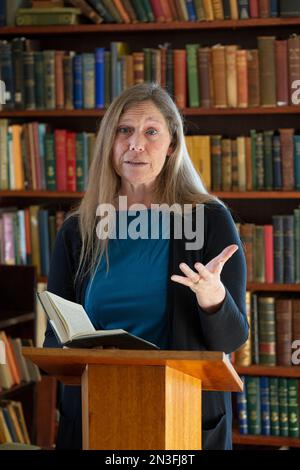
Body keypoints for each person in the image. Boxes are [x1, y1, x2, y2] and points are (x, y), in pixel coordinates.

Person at [44, 82, 248, 450]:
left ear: (171, 146)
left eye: (151, 131)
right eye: (124, 130)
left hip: (182, 420)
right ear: (109, 142)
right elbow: (52, 343)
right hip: (95, 417)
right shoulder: (77, 230)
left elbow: (231, 340)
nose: (136, 144)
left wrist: (214, 299)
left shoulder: (209, 221)